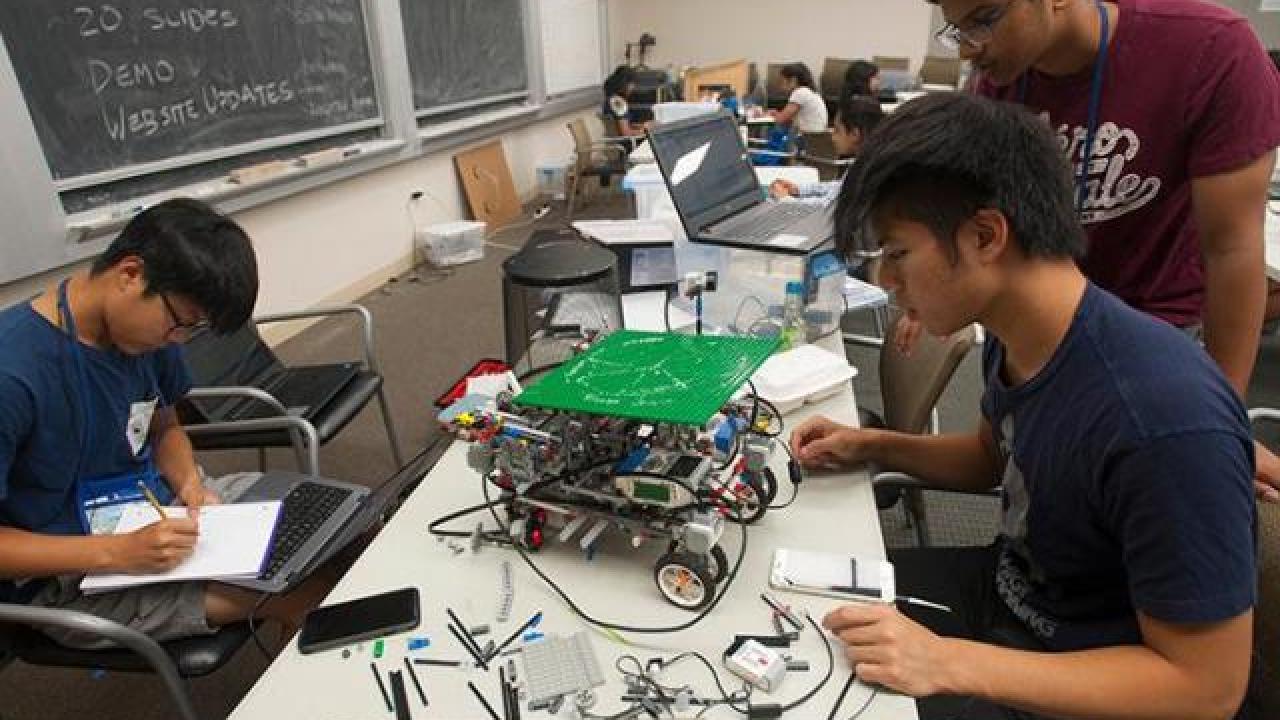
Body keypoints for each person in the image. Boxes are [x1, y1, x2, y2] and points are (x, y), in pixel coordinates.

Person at [795, 92, 1256, 720]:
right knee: (795, 621)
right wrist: (874, 445)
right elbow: (993, 459)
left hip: (1087, 673)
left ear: (986, 235)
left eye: (897, 254)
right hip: (1009, 598)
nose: (885, 283)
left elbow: (1205, 689)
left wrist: (946, 662)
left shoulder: (1160, 419)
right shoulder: (1023, 335)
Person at [916, 0, 1280, 501]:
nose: (972, 51)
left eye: (985, 19)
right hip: (1034, 330)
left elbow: (1232, 249)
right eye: (958, 31)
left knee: (1134, 523)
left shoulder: (1211, 50)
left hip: (1154, 340)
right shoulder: (1001, 77)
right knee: (1036, 511)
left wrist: (1221, 422)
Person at [0, 198, 336, 649]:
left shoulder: (145, 339)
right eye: (181, 324)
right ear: (130, 274)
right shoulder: (13, 373)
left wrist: (190, 487)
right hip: (70, 570)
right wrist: (118, 552)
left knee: (335, 531)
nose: (178, 341)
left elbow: (164, 429)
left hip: (166, 511)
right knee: (305, 591)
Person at [768, 95, 885, 202]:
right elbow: (839, 188)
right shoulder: (868, 160)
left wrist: (785, 199)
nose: (832, 137)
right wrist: (798, 189)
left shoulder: (868, 171)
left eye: (837, 130)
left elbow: (827, 208)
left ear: (855, 134)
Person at [768, 62, 828, 134]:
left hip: (808, 137)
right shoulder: (811, 92)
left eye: (781, 82)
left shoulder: (800, 92)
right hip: (816, 135)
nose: (780, 87)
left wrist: (764, 115)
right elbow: (788, 118)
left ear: (793, 80)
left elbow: (781, 120)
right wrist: (777, 114)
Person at [602, 65, 646, 140]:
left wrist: (643, 126)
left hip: (620, 142)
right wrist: (647, 130)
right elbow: (626, 133)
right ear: (625, 83)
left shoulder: (610, 99)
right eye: (632, 83)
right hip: (628, 144)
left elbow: (621, 125)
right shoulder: (618, 103)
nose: (633, 87)